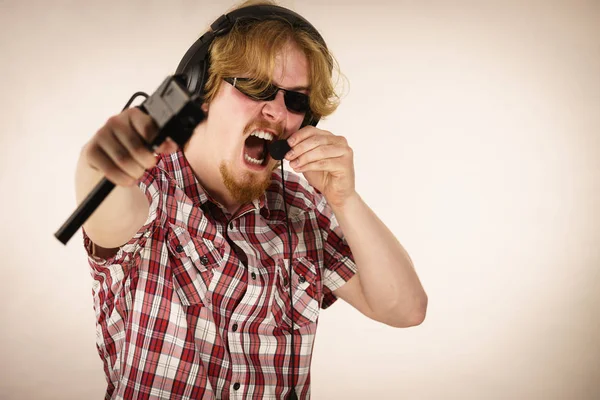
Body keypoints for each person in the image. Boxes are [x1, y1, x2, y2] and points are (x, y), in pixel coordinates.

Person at [75, 1, 428, 398]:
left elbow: (405, 309)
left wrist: (344, 199)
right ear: (200, 90)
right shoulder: (151, 186)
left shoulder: (301, 206)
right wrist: (100, 161)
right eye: (256, 87)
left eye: (296, 101)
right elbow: (108, 206)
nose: (277, 111)